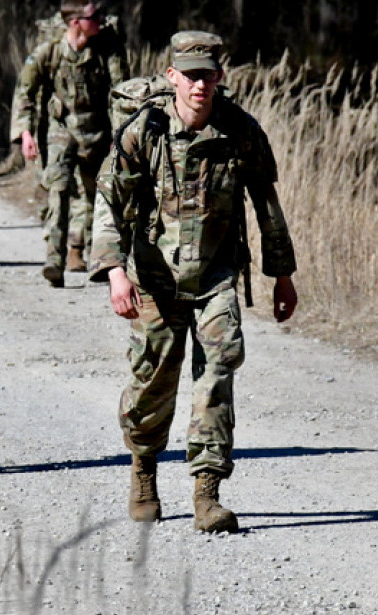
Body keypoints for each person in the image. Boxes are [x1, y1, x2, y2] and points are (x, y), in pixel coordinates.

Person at [90, 31, 298, 533]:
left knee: (217, 376)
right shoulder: (146, 130)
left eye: (208, 74)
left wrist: (282, 275)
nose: (199, 84)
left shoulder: (240, 131)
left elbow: (266, 205)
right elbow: (108, 202)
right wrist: (115, 272)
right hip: (153, 279)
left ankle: (208, 493)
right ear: (173, 77)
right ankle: (143, 468)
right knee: (151, 385)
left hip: (215, 278)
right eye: (190, 75)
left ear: (220, 77)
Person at [11, 0, 128, 286]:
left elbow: (121, 94)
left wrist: (120, 135)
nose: (99, 21)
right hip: (60, 130)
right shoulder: (48, 52)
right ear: (76, 22)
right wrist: (25, 132)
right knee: (58, 190)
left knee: (97, 195)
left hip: (97, 131)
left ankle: (93, 254)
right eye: (92, 17)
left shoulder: (107, 51)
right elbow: (24, 92)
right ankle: (54, 258)